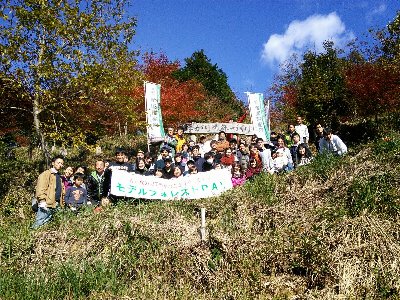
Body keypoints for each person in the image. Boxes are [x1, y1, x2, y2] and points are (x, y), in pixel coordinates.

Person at [32, 155, 65, 229]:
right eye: (58, 162)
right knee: (39, 224)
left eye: (62, 163)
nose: (60, 165)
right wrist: (42, 201)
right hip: (47, 204)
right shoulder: (46, 174)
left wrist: (62, 203)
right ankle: (30, 238)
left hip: (56, 204)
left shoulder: (59, 176)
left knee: (50, 226)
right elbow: (41, 188)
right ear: (53, 163)